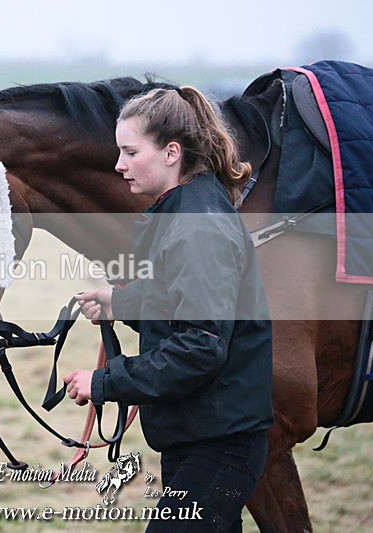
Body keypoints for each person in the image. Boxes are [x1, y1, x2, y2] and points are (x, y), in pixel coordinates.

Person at [65, 87, 273, 532]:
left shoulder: (197, 227)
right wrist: (119, 302)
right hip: (200, 434)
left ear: (171, 153)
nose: (119, 165)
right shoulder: (183, 213)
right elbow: (182, 302)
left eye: (130, 152)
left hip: (219, 444)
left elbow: (200, 346)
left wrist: (104, 382)